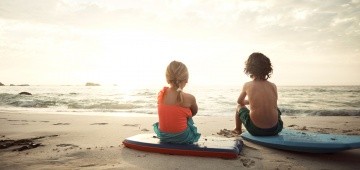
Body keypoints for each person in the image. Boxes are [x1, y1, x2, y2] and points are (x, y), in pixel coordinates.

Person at [233, 52, 283, 136]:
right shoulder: (273, 86)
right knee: (275, 108)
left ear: (249, 68)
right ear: (268, 68)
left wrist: (249, 101)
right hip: (276, 129)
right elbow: (273, 103)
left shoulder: (247, 85)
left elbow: (239, 101)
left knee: (239, 107)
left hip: (256, 130)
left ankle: (238, 129)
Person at [153, 60, 201, 144]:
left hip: (163, 136)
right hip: (182, 138)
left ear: (167, 79)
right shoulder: (190, 98)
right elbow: (194, 112)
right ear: (186, 80)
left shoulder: (161, 94)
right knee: (187, 117)